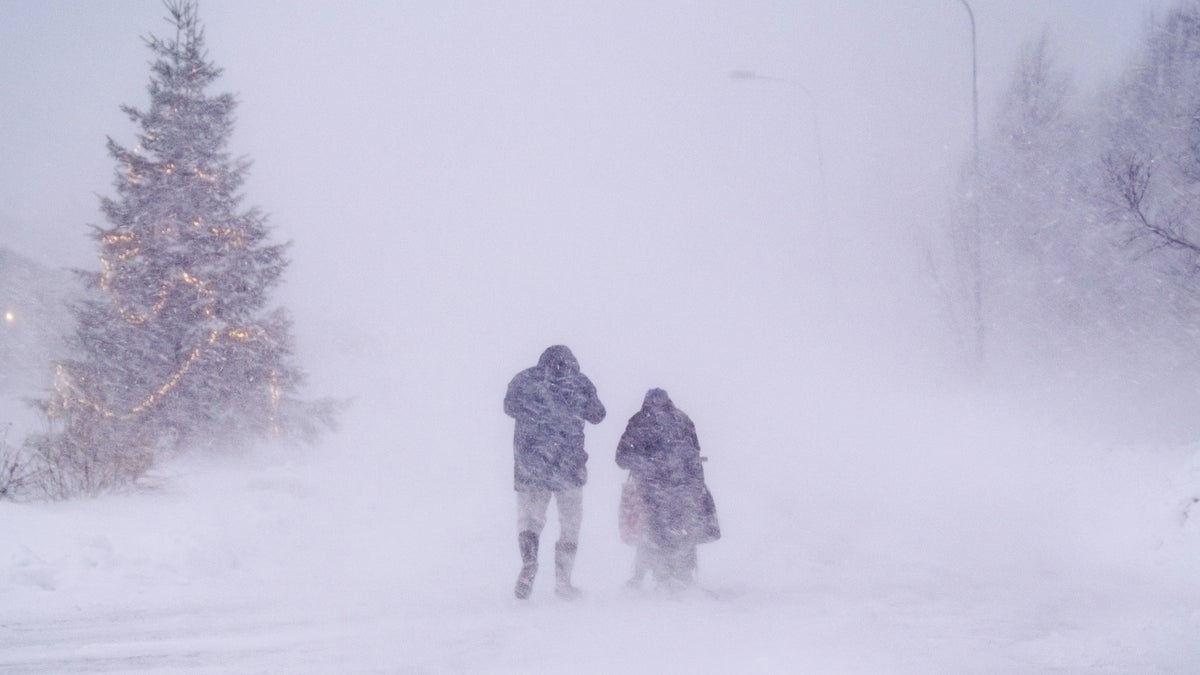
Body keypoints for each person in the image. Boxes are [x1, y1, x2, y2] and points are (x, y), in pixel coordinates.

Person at [504, 345, 606, 600]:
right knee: (570, 524)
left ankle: (529, 563)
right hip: (568, 466)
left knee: (530, 521)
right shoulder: (578, 382)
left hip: (531, 464)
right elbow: (598, 415)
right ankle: (563, 582)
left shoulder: (524, 380)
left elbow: (509, 407)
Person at [616, 388, 719, 591]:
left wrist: (645, 463)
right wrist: (697, 485)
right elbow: (694, 455)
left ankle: (647, 576)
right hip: (681, 487)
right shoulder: (682, 420)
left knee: (651, 531)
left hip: (650, 488)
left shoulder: (639, 421)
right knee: (682, 530)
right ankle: (683, 575)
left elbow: (621, 458)